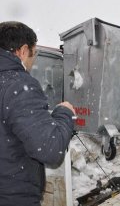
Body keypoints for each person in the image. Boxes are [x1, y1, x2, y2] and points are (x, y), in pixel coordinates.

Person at [0, 21, 76, 206]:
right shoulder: (18, 85)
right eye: (35, 54)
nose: (33, 61)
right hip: (13, 197)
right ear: (23, 50)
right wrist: (64, 113)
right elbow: (50, 149)